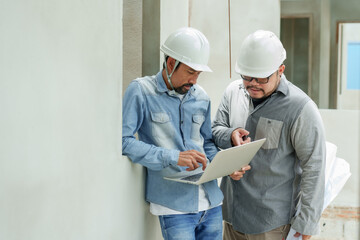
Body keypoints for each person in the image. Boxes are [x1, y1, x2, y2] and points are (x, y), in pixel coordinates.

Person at [212, 30, 326, 240]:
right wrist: (230, 135)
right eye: (247, 76)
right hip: (231, 215)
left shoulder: (301, 108)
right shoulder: (233, 92)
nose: (253, 83)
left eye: (262, 78)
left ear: (280, 70)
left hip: (271, 224)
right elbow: (216, 129)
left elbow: (314, 166)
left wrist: (307, 222)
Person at [122, 27, 227, 240]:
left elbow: (206, 142)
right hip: (174, 207)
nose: (195, 80)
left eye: (198, 74)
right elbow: (124, 141)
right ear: (171, 63)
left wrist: (225, 165)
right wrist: (174, 157)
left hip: (212, 202)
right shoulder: (141, 91)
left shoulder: (201, 97)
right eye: (190, 72)